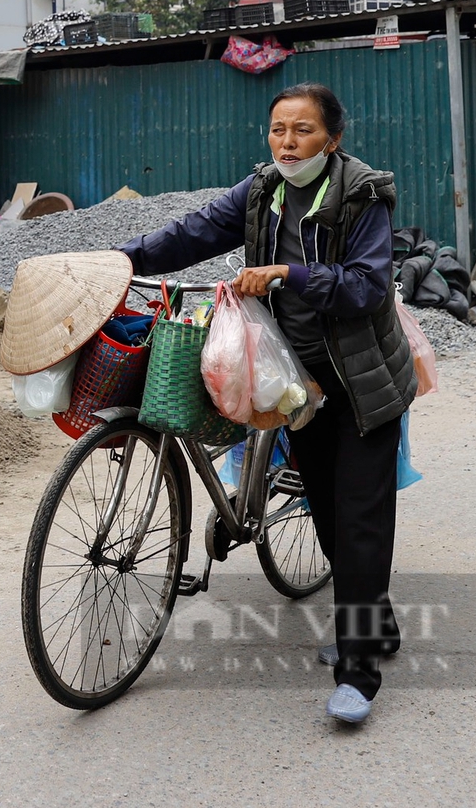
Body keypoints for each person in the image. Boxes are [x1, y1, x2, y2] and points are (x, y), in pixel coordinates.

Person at [119, 82, 413, 725]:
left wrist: (287, 274)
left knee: (359, 521)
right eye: (278, 129)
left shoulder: (363, 196)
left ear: (332, 138)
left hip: (362, 382)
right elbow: (193, 232)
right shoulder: (258, 192)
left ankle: (358, 672)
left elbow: (366, 288)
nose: (287, 142)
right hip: (296, 386)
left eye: (302, 130)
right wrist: (122, 259)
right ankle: (377, 618)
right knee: (330, 516)